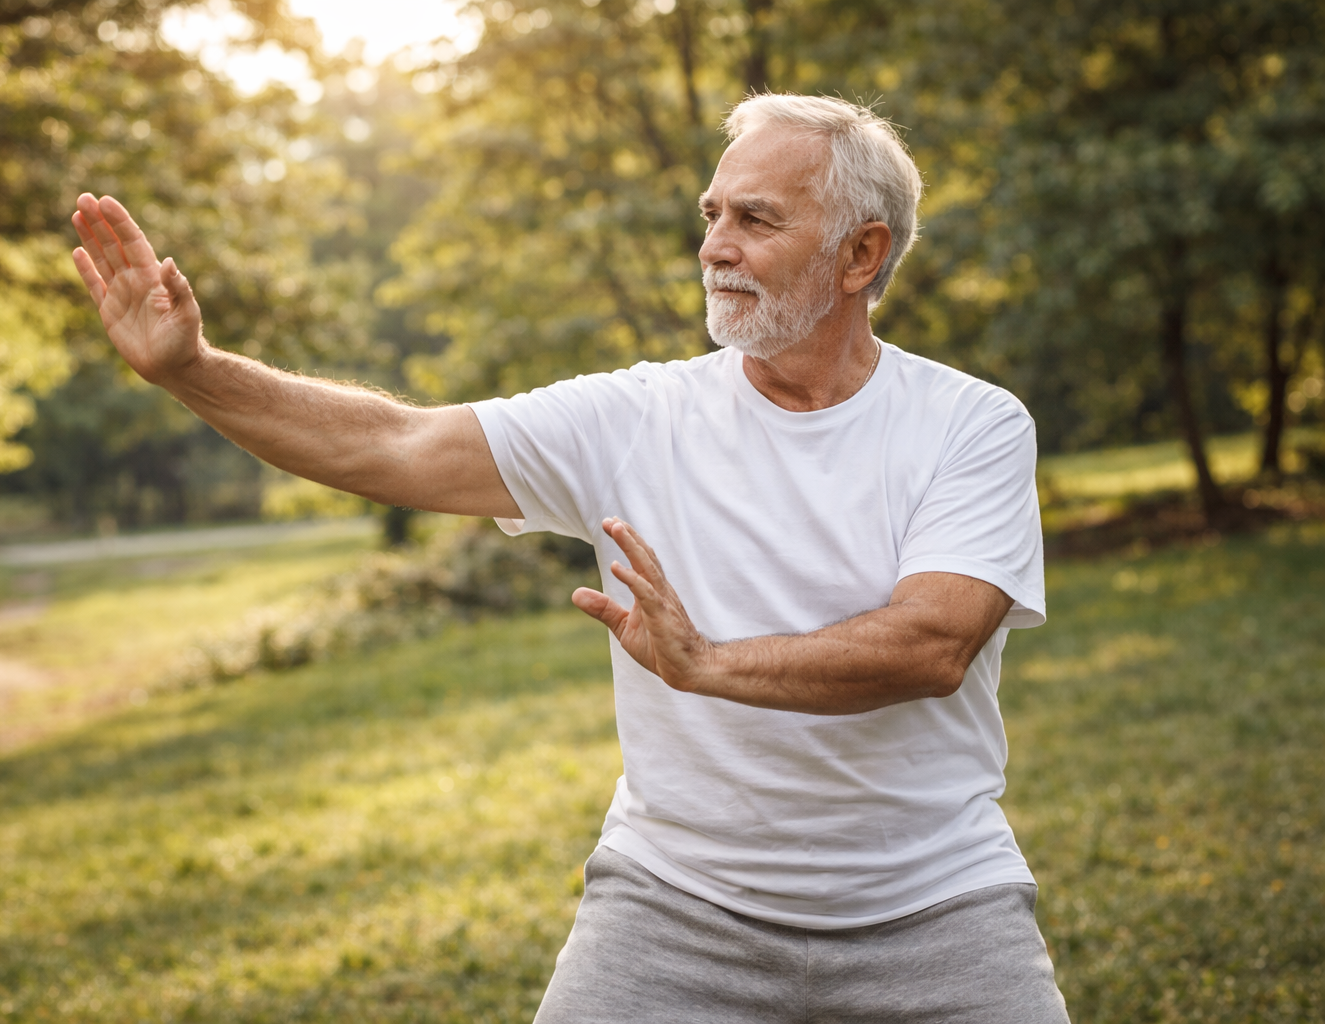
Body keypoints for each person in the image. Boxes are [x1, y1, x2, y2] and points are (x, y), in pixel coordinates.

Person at [71, 93, 1070, 1022]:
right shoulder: (635, 416)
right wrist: (194, 371)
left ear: (861, 254)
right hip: (675, 908)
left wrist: (708, 665)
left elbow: (931, 645)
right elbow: (395, 445)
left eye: (755, 220)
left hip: (937, 906)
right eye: (711, 214)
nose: (713, 246)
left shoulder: (969, 425)